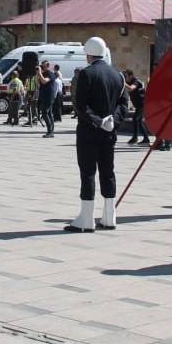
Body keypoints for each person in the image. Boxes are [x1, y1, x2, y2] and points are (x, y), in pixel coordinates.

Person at [65, 37, 124, 233]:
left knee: (88, 172)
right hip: (110, 133)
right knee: (108, 172)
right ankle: (110, 216)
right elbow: (123, 105)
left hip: (89, 132)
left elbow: (80, 106)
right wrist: (112, 120)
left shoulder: (86, 74)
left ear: (88, 54)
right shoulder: (118, 75)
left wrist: (98, 121)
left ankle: (86, 219)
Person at [123, 70, 151, 145]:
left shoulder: (136, 81)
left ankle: (142, 138)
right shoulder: (129, 82)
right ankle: (140, 138)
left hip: (143, 104)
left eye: (126, 76)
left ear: (131, 75)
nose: (125, 78)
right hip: (138, 105)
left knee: (136, 119)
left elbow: (131, 88)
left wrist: (122, 82)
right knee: (137, 120)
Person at [37, 61, 56, 137]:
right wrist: (38, 74)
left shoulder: (50, 73)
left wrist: (40, 73)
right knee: (49, 113)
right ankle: (51, 131)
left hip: (49, 96)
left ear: (47, 66)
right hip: (44, 95)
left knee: (45, 113)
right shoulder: (43, 73)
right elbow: (38, 83)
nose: (41, 67)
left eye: (43, 66)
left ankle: (50, 131)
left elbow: (44, 81)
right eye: (41, 66)